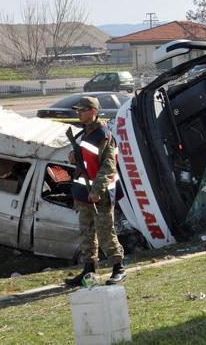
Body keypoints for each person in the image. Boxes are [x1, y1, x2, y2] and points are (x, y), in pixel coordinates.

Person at [64, 96, 126, 286]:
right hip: (84, 193)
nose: (78, 114)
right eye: (77, 111)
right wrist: (74, 157)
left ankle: (119, 269)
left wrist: (97, 189)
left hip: (101, 194)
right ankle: (88, 270)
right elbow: (87, 159)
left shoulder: (103, 134)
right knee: (87, 234)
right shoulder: (87, 132)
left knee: (106, 232)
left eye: (82, 110)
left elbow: (109, 167)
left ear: (93, 111)